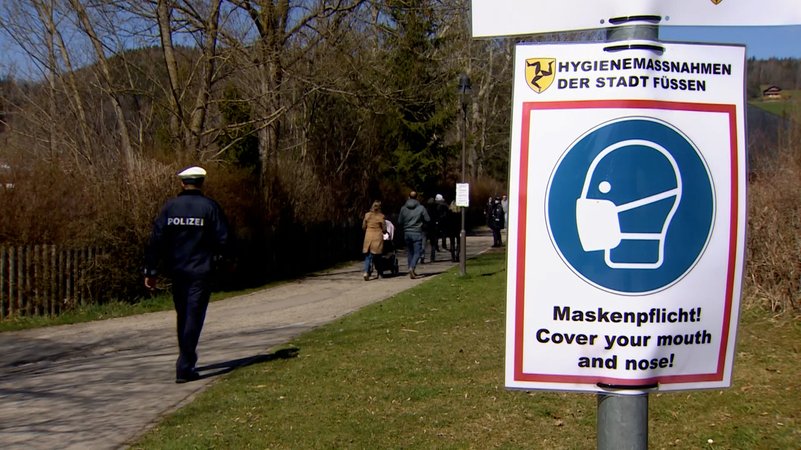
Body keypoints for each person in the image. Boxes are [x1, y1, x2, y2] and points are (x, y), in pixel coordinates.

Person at [144, 166, 229, 383]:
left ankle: (185, 359)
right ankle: (185, 364)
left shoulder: (170, 208)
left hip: (177, 270)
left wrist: (151, 270)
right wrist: (217, 261)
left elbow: (156, 240)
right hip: (201, 271)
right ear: (202, 183)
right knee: (194, 315)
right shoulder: (210, 208)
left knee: (183, 314)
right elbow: (224, 240)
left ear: (182, 183)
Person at [397, 190, 430, 279]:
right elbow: (427, 219)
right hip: (417, 231)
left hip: (407, 232)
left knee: (410, 252)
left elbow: (399, 221)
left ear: (408, 197)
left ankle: (410, 268)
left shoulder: (403, 208)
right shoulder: (421, 208)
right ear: (417, 197)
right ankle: (412, 267)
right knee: (418, 252)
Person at [362, 200, 386, 281]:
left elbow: (363, 227)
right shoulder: (381, 216)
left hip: (368, 236)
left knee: (368, 256)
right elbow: (384, 229)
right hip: (377, 237)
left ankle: (366, 272)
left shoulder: (367, 215)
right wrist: (384, 231)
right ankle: (380, 273)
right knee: (378, 256)